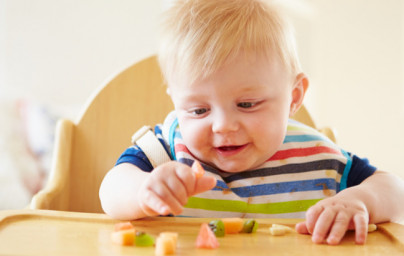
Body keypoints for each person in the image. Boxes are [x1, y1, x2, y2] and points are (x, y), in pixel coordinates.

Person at [99, 0, 404, 245]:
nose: (223, 126)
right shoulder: (163, 152)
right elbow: (110, 191)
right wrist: (144, 192)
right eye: (198, 110)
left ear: (294, 97)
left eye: (246, 105)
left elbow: (394, 190)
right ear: (176, 103)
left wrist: (361, 199)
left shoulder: (317, 160)